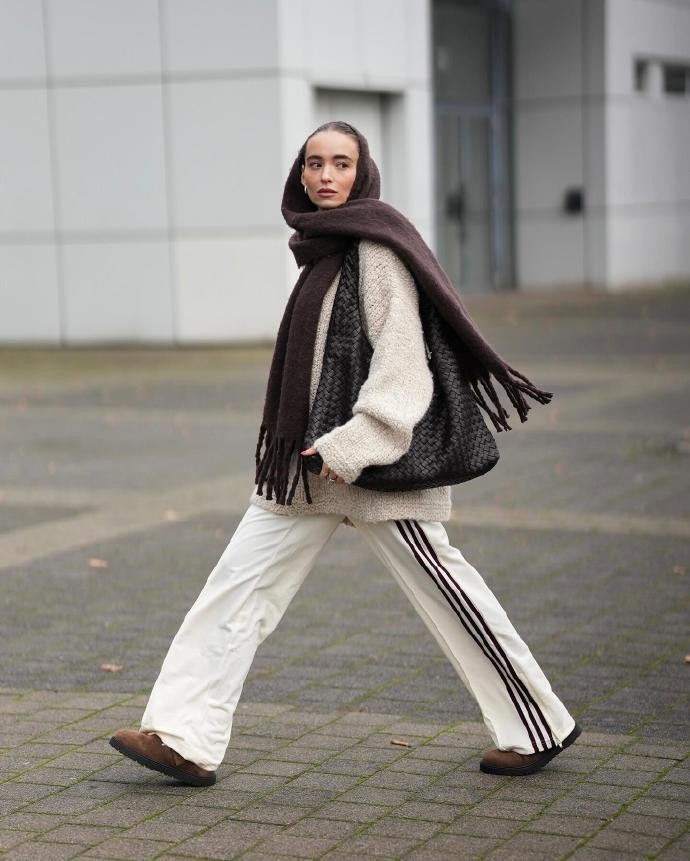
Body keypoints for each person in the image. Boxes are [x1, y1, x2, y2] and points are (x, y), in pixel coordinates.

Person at [110, 122, 580, 787]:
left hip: (373, 466)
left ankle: (538, 725)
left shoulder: (377, 250)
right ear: (300, 175)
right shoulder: (321, 252)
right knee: (237, 585)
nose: (326, 175)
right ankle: (183, 736)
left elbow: (404, 366)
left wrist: (357, 443)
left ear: (363, 174)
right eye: (314, 164)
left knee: (448, 594)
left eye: (341, 163)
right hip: (307, 470)